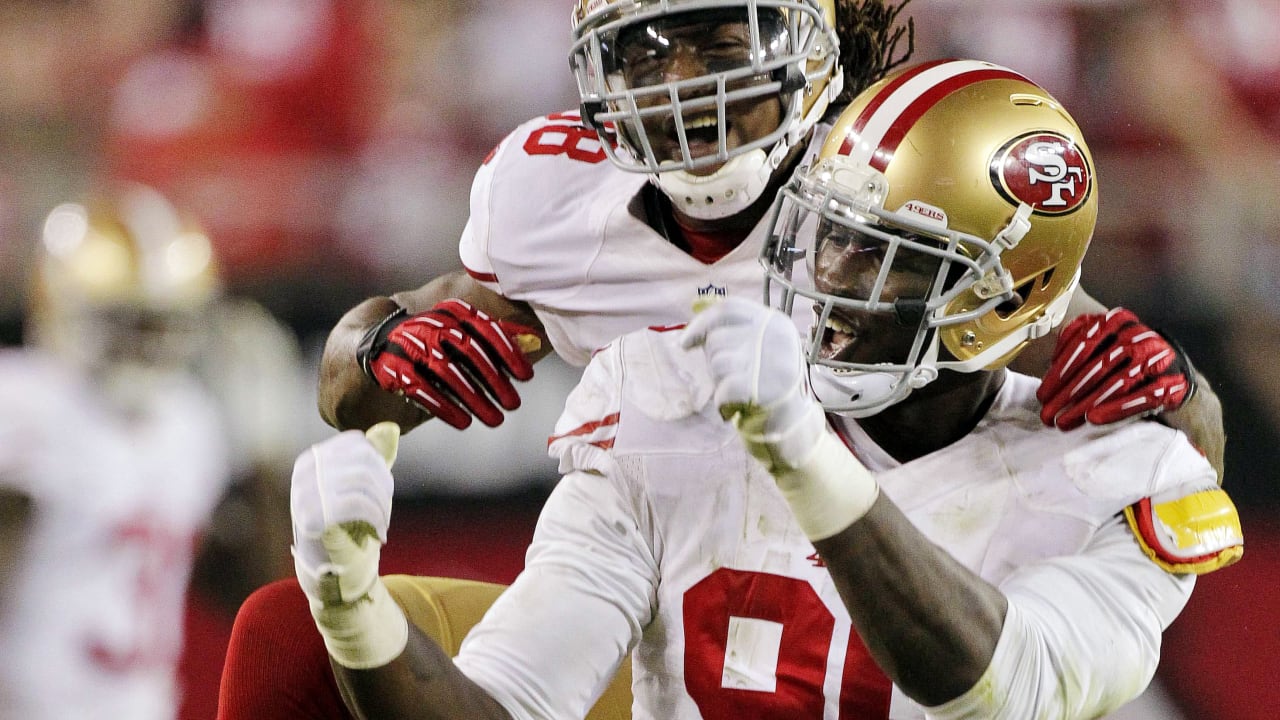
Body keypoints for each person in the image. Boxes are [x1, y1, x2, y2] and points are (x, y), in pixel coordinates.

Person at [285, 60, 1243, 719]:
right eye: (826, 234)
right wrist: (354, 614)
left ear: (1007, 297)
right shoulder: (658, 394)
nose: (829, 280)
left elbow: (1001, 688)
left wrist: (801, 453)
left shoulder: (1126, 472)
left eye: (888, 261)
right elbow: (511, 705)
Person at [314, 0, 1222, 476]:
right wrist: (382, 349)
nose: (682, 87)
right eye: (646, 54)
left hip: (886, 584)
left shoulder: (892, 182)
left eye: (721, 48)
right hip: (655, 582)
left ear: (808, 47)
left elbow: (1187, 433)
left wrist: (1166, 389)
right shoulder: (552, 195)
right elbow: (354, 393)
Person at [0, 186, 231, 719]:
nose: (146, 345)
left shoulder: (191, 422)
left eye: (164, 324)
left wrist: (268, 464)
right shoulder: (29, 406)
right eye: (125, 323)